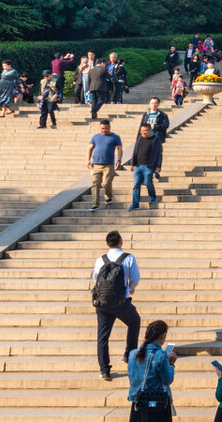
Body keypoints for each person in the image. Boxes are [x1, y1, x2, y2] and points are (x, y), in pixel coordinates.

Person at [92, 230, 141, 381]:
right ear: (121, 242)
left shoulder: (100, 259)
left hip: (102, 303)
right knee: (134, 322)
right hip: (121, 302)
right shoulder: (128, 258)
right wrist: (130, 289)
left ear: (107, 244)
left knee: (103, 336)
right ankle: (129, 355)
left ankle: (104, 370)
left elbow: (95, 279)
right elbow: (135, 278)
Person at [126, 320, 175, 422]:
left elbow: (131, 376)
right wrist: (171, 364)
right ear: (162, 336)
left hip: (137, 401)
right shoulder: (161, 355)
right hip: (156, 402)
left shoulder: (132, 354)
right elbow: (167, 379)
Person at [87, 120, 123, 211]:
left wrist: (119, 160)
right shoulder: (95, 137)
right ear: (99, 128)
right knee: (95, 184)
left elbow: (119, 148)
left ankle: (108, 196)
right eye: (102, 128)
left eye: (106, 128)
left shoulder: (115, 137)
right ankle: (95, 204)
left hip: (108, 165)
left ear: (109, 127)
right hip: (96, 165)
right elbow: (90, 148)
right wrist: (88, 160)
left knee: (106, 183)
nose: (104, 130)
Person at [127, 123, 162, 211]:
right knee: (136, 184)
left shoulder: (155, 139)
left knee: (147, 182)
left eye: (146, 130)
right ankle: (135, 203)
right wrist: (133, 163)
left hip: (149, 166)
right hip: (138, 166)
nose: (143, 132)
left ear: (150, 130)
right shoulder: (139, 138)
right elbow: (135, 150)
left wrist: (158, 166)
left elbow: (159, 153)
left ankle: (152, 196)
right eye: (142, 131)